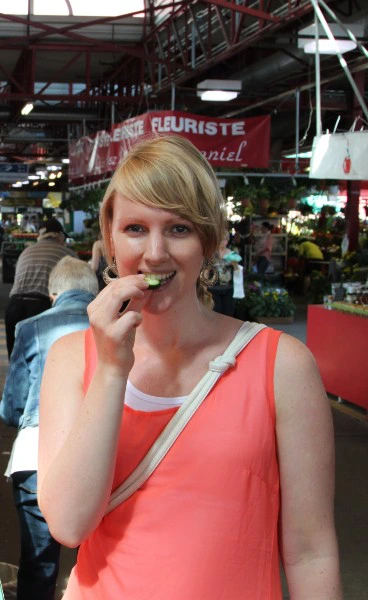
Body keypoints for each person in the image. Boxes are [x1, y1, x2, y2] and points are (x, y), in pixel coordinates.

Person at [38, 136, 340, 599]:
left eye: (178, 229)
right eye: (135, 228)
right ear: (110, 239)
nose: (155, 253)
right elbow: (69, 524)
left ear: (210, 241)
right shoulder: (71, 359)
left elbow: (310, 550)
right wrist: (112, 370)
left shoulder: (282, 366)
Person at [0, 256, 99, 600]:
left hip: (37, 458)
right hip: (106, 462)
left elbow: (11, 408)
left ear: (53, 295)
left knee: (39, 566)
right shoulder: (124, 328)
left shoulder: (30, 328)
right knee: (100, 564)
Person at [5, 218, 76, 357]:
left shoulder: (26, 252)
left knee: (16, 359)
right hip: (41, 306)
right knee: (40, 360)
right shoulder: (68, 254)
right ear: (59, 235)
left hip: (13, 306)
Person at [209, 235, 240, 316]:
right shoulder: (211, 253)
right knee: (215, 314)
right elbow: (206, 270)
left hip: (228, 288)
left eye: (225, 239)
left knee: (228, 314)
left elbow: (237, 271)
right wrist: (204, 287)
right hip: (214, 288)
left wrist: (235, 264)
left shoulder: (232, 253)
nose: (223, 242)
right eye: (221, 239)